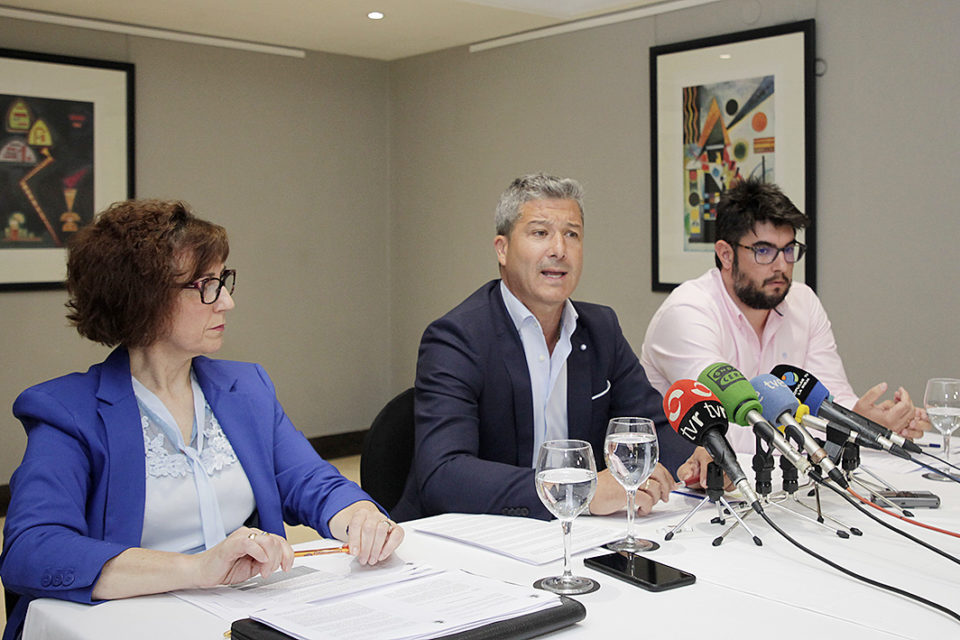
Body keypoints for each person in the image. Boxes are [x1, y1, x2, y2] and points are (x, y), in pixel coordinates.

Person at [0, 200, 403, 640]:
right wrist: (196, 568)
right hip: (133, 623)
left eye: (224, 281)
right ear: (144, 298)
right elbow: (32, 550)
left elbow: (309, 481)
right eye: (207, 285)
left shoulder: (246, 388)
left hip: (246, 618)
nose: (227, 301)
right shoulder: (68, 411)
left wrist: (360, 516)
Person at [391, 174, 694, 522]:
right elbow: (444, 475)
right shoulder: (456, 338)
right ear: (502, 249)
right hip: (471, 534)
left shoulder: (601, 329)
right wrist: (579, 490)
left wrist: (697, 458)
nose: (559, 250)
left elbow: (651, 426)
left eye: (572, 234)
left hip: (575, 533)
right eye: (540, 233)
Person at [639, 178, 929, 485]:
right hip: (686, 492)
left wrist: (866, 422)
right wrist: (835, 430)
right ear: (726, 254)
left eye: (789, 250)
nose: (781, 266)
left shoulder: (803, 302)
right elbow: (728, 432)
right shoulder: (687, 313)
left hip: (782, 482)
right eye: (764, 251)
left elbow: (828, 398)